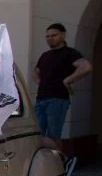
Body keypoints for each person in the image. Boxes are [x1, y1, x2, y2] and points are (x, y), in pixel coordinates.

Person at [34, 22, 93, 158]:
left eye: (54, 35)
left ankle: (61, 163)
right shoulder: (45, 55)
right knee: (38, 135)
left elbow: (86, 67)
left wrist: (69, 79)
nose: (50, 38)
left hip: (58, 99)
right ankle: (49, 163)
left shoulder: (70, 53)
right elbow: (36, 71)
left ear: (63, 35)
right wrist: (39, 81)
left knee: (54, 134)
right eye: (47, 36)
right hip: (41, 99)